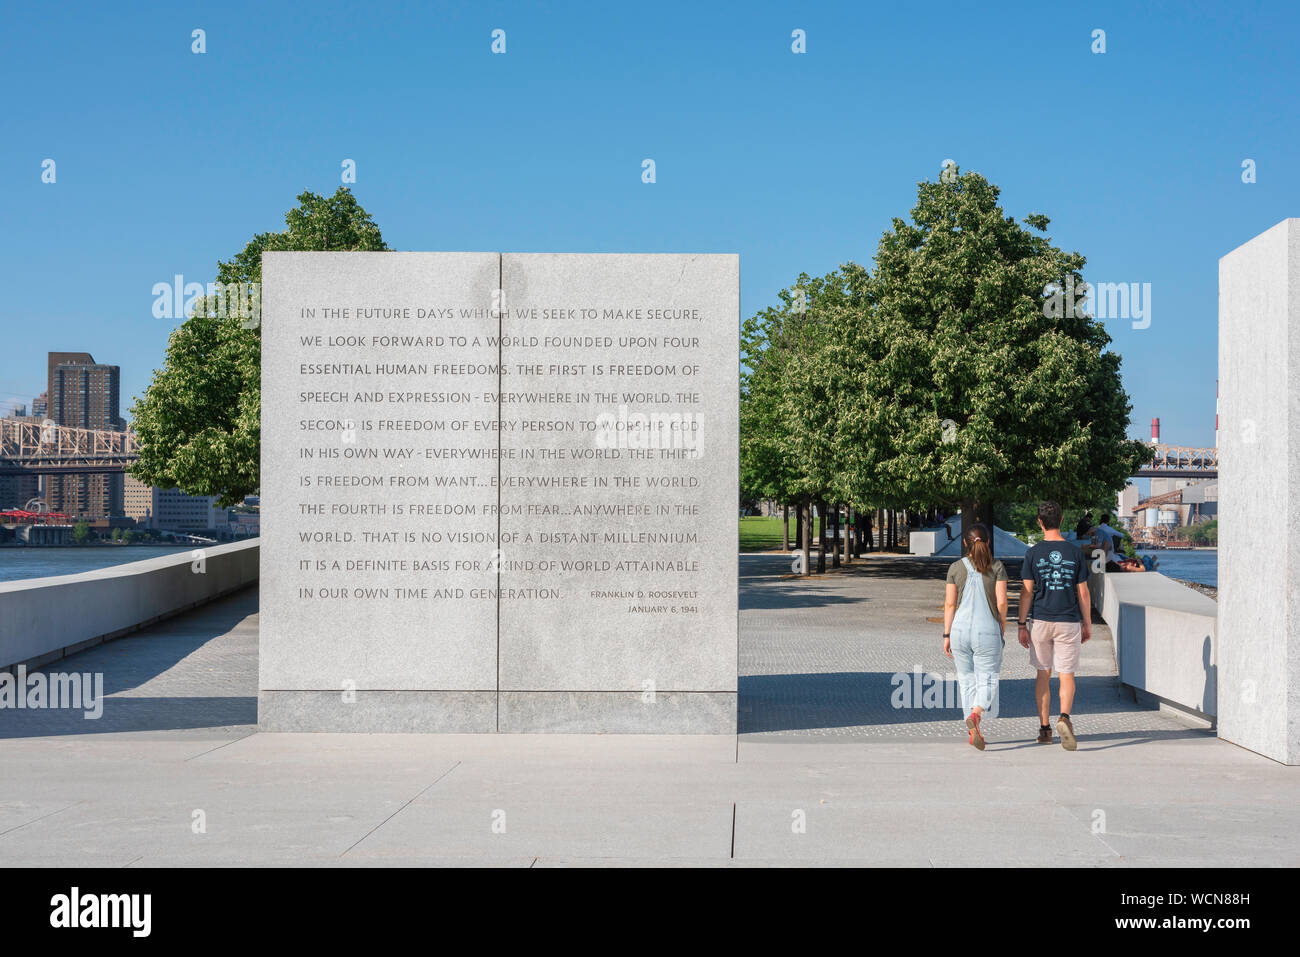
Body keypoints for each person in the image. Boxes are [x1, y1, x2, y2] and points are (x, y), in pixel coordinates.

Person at [1017, 501, 1091, 750]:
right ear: (1061, 520)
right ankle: (1065, 718)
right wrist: (1087, 623)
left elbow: (1027, 592)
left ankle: (1045, 729)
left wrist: (1020, 624)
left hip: (1040, 620)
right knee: (1066, 674)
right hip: (1068, 621)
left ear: (1040, 522)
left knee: (1043, 674)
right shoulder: (1074, 553)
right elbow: (1083, 593)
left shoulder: (1032, 553)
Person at [942, 523, 1009, 751]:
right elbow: (1001, 602)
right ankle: (977, 713)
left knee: (966, 682)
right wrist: (1002, 625)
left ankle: (972, 730)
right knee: (988, 678)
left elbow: (950, 603)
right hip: (986, 628)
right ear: (988, 542)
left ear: (964, 543)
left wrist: (947, 634)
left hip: (959, 630)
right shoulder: (997, 566)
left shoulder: (955, 568)